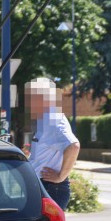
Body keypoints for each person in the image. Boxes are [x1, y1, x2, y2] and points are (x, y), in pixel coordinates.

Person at [25, 77, 80, 210]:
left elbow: (74, 146)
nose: (30, 101)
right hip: (44, 187)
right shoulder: (44, 118)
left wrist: (61, 176)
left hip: (51, 189)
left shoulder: (52, 118)